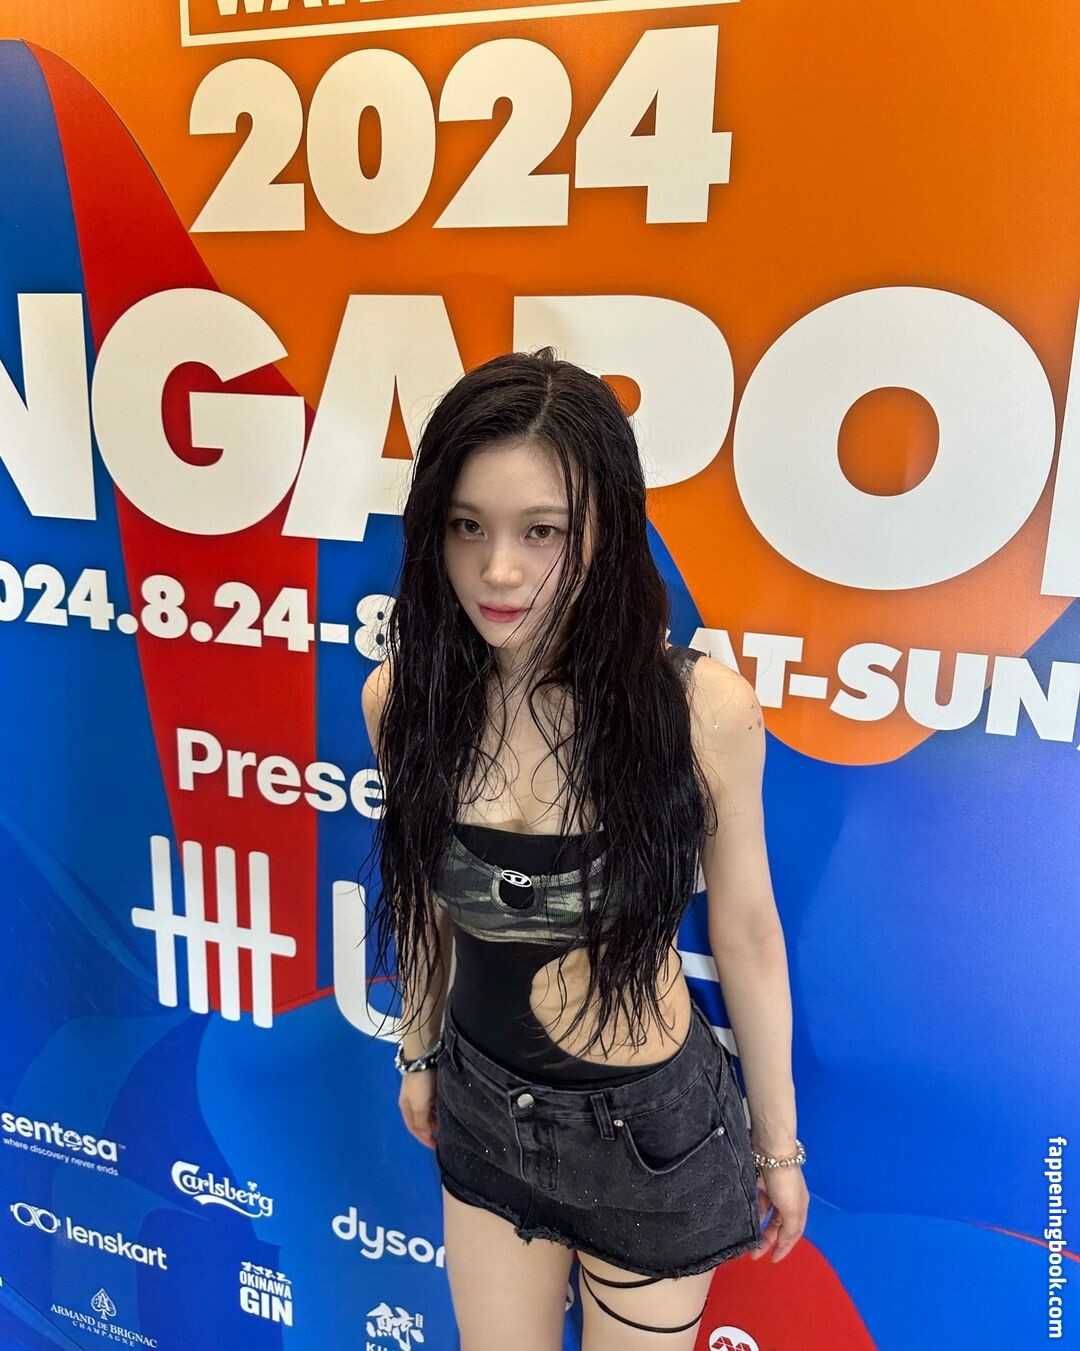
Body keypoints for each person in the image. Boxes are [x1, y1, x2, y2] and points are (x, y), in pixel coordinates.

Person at [361, 347, 808, 1350]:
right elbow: (425, 899)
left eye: (542, 530)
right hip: (482, 1106)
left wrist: (779, 1145)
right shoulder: (404, 702)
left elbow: (746, 931)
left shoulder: (700, 710)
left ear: (604, 530)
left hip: (648, 1137)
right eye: (467, 526)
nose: (498, 569)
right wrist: (418, 1049)